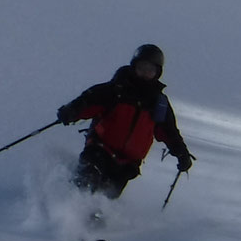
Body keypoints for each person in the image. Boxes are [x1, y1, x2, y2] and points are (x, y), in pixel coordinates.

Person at [57, 43, 194, 200]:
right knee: (86, 181)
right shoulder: (116, 90)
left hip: (127, 164)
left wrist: (182, 154)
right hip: (100, 148)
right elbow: (89, 101)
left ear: (157, 73)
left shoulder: (158, 104)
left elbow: (169, 133)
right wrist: (71, 111)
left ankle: (92, 220)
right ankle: (63, 207)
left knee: (106, 197)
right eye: (142, 67)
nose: (144, 73)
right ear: (134, 66)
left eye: (150, 70)